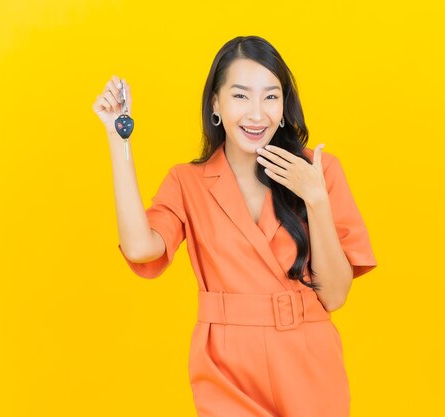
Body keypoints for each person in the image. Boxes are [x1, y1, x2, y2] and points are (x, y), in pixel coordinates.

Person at [92, 35, 377, 417]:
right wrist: (117, 139)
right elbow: (142, 248)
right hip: (226, 368)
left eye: (270, 96)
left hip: (309, 364)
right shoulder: (186, 182)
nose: (257, 114)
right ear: (216, 103)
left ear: (284, 103)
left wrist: (317, 199)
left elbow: (335, 296)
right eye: (241, 96)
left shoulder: (319, 171)